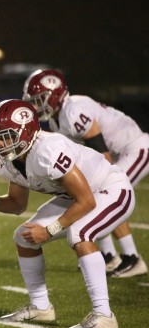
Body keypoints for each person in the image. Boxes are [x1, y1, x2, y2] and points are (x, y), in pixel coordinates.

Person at [0, 99, 135, 328]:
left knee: (80, 233)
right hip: (76, 196)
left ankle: (104, 314)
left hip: (111, 188)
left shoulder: (48, 150)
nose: (0, 142)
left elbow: (86, 201)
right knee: (23, 236)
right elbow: (16, 204)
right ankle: (41, 307)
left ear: (26, 132)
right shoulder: (11, 160)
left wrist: (50, 230)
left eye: (7, 135)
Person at [22, 69, 147, 278]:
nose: (37, 106)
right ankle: (108, 255)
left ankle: (132, 257)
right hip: (119, 152)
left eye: (40, 99)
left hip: (134, 148)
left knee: (108, 193)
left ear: (56, 95)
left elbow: (102, 154)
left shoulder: (74, 111)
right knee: (93, 196)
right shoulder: (56, 119)